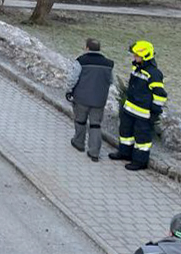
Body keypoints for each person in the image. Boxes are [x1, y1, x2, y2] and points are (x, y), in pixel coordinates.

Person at [109, 40, 168, 171]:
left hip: (143, 114)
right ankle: (124, 153)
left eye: (137, 55)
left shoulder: (154, 74)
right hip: (130, 110)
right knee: (126, 133)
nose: (134, 57)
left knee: (142, 139)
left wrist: (154, 112)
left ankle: (140, 162)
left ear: (145, 56)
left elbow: (160, 95)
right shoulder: (137, 68)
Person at [66, 38, 113, 162]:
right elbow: (111, 81)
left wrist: (69, 90)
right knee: (95, 125)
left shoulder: (81, 61)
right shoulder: (109, 64)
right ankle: (94, 152)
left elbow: (73, 78)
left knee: (80, 121)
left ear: (87, 48)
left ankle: (79, 143)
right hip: (99, 100)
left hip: (81, 98)